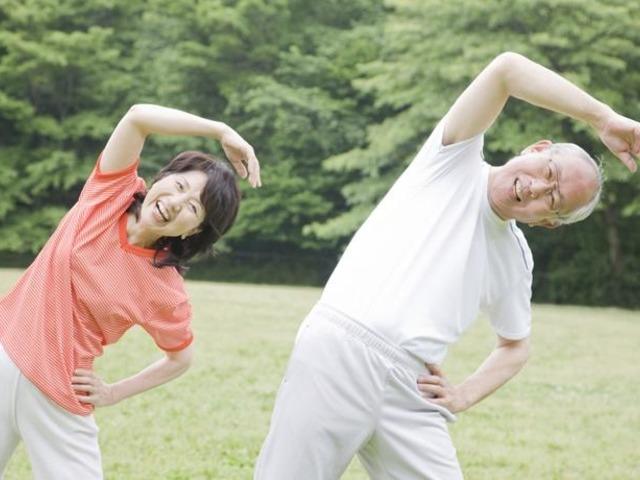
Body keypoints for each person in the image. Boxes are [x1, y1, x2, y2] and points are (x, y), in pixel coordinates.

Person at [254, 52, 639, 479]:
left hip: (411, 389)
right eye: (547, 171)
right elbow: (507, 69)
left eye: (552, 199)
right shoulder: (452, 161)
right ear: (537, 148)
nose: (534, 187)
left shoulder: (514, 259)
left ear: (547, 223)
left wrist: (463, 395)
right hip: (340, 347)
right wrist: (602, 118)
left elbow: (515, 347)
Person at [0, 104, 261, 479]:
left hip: (58, 394)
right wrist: (220, 130)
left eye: (192, 208)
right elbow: (138, 117)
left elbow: (180, 358)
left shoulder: (165, 290)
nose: (174, 203)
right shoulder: (109, 194)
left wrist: (113, 392)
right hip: (5, 351)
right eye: (180, 186)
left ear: (193, 232)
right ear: (162, 178)